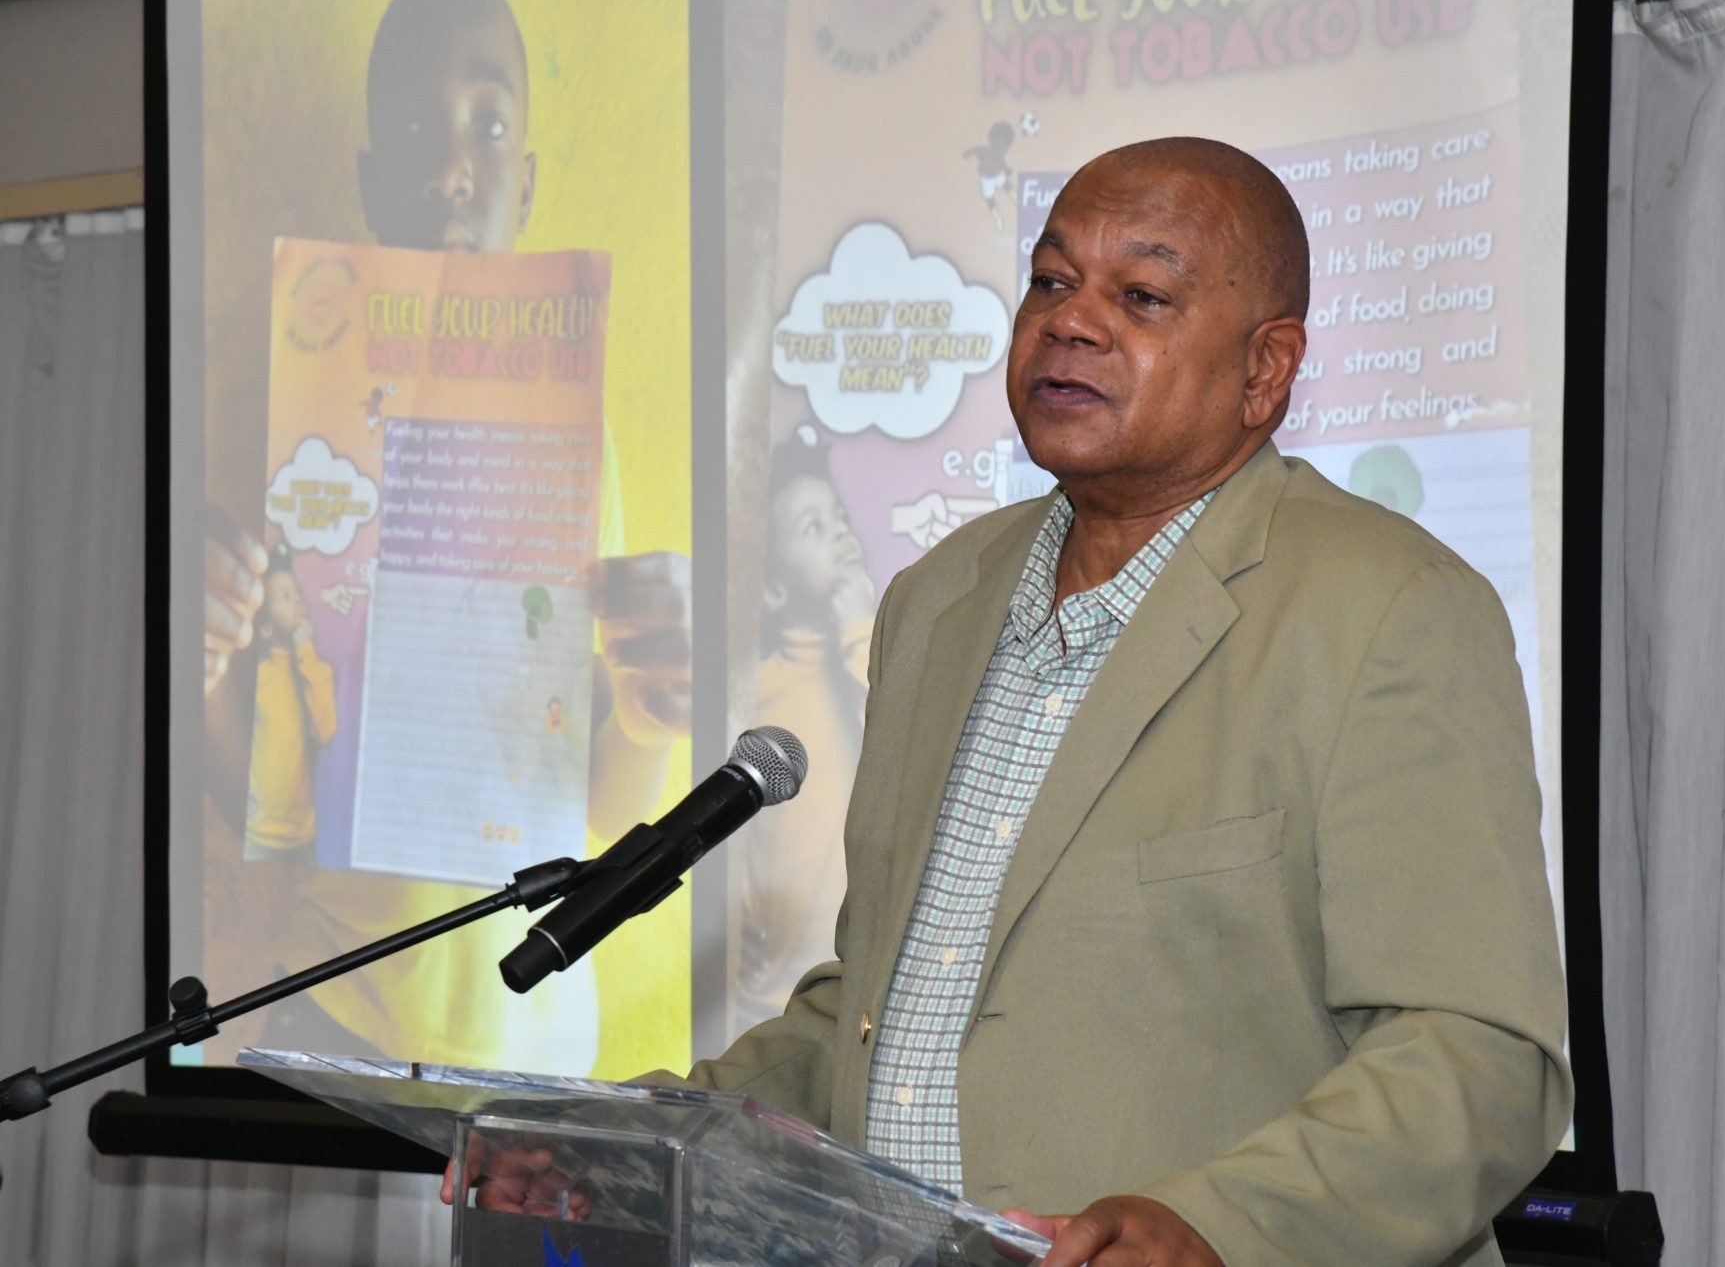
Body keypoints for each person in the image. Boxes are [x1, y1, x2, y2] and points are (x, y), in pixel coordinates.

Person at [455, 137, 1569, 1266]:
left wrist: (1220, 1229)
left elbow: (1475, 1053)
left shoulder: (1388, 608)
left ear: (1265, 370)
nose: (1069, 322)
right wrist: (643, 1139)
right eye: (1049, 280)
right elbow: (885, 1009)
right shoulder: (937, 602)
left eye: (1138, 295)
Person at [202, 0, 691, 1072]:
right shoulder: (303, 432)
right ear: (374, 181)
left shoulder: (575, 439)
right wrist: (205, 669)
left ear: (524, 182)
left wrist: (657, 716)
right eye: (420, 131)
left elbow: (595, 816)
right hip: (344, 1026)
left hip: (538, 1043)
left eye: (485, 127)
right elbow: (269, 808)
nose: (453, 170)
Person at [731, 427, 876, 1031]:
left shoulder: (875, 658)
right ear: (772, 588)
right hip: (772, 1010)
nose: (840, 531)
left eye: (838, 516)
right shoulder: (751, 693)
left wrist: (857, 632)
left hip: (864, 1007)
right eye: (812, 527)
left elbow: (910, 757)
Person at [241, 547, 337, 861]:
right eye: (284, 596)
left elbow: (324, 732)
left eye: (297, 592)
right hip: (257, 836)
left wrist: (306, 652)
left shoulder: (314, 671)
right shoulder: (258, 677)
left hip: (303, 838)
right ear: (265, 627)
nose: (296, 599)